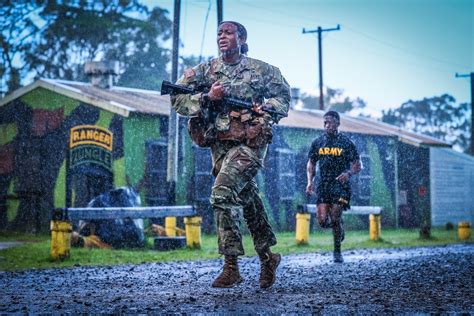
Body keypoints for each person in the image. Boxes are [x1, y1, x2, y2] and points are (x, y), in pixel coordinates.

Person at [170, 21, 290, 288]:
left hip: (251, 145)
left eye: (228, 32)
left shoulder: (261, 70)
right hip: (220, 147)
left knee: (222, 193)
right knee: (248, 201)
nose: (222, 37)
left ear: (241, 37)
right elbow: (176, 97)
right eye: (219, 33)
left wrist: (266, 107)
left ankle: (231, 266)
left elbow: (283, 97)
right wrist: (206, 98)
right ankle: (268, 257)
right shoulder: (207, 70)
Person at [306, 111, 361, 263]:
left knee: (335, 215)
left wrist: (348, 173)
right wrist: (310, 181)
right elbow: (311, 163)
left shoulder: (346, 142)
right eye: (325, 122)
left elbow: (358, 165)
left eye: (330, 122)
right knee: (323, 221)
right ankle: (339, 227)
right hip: (323, 185)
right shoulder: (318, 142)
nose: (327, 125)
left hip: (340, 185)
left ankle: (337, 252)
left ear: (337, 123)